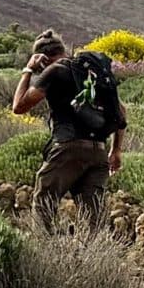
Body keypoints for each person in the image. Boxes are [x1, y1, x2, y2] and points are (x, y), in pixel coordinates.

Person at [11, 30, 126, 230]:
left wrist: (28, 70)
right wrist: (115, 150)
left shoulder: (55, 71)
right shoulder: (91, 72)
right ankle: (93, 257)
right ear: (63, 50)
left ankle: (44, 252)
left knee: (44, 204)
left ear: (42, 58)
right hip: (98, 152)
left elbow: (19, 107)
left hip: (67, 147)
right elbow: (121, 111)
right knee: (93, 218)